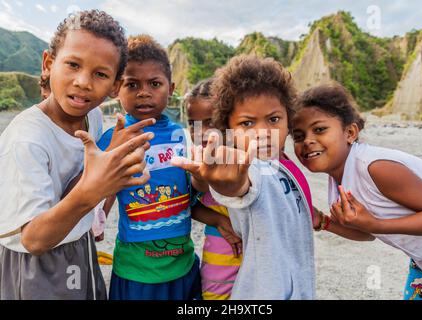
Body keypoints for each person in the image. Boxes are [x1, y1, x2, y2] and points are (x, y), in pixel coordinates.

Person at [0, 10, 152, 300]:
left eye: (100, 74)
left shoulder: (91, 116)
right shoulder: (27, 139)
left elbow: (78, 184)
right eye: (73, 64)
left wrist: (108, 162)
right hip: (35, 264)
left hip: (76, 241)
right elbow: (33, 239)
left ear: (115, 86)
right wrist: (95, 187)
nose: (83, 81)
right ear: (48, 63)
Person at [172, 55, 316, 300]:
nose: (262, 132)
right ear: (228, 125)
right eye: (247, 123)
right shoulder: (243, 167)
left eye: (273, 119)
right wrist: (224, 183)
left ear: (288, 118)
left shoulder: (287, 167)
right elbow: (237, 185)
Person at [292, 82, 422, 300]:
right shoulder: (338, 185)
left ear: (350, 132)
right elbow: (367, 234)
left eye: (319, 130)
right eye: (298, 136)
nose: (307, 141)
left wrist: (377, 224)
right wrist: (322, 221)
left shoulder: (376, 167)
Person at [97, 34, 201, 300]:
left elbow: (194, 192)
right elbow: (103, 189)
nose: (143, 92)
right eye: (132, 84)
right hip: (135, 272)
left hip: (183, 265)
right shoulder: (114, 138)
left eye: (154, 83)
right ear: (117, 88)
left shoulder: (182, 135)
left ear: (171, 87)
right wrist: (96, 222)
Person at [185, 78, 243, 300]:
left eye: (211, 122)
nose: (201, 132)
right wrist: (219, 220)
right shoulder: (195, 161)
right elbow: (188, 203)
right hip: (220, 250)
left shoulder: (246, 157)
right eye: (193, 123)